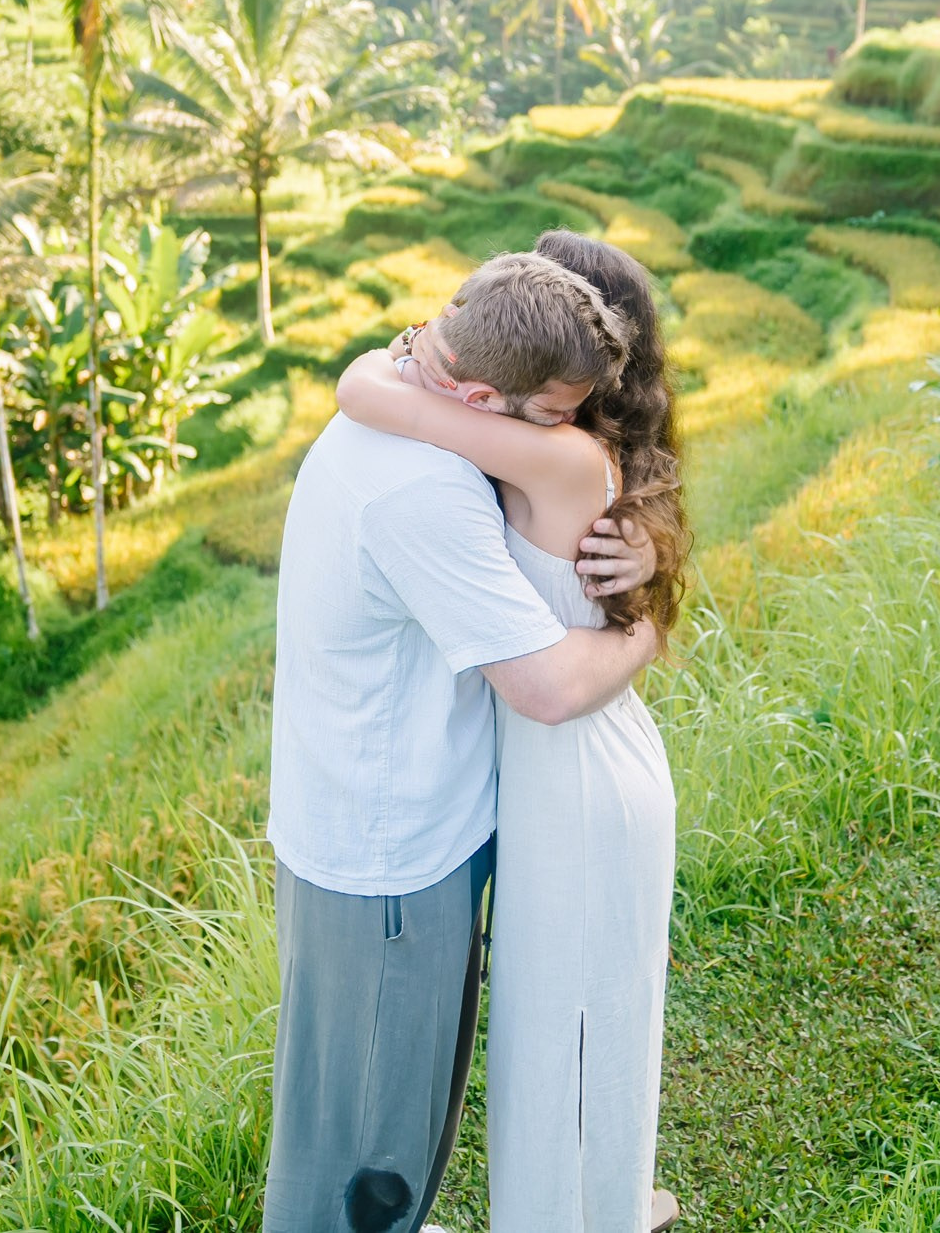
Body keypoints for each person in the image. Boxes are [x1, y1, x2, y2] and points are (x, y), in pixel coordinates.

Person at [265, 250, 663, 1233]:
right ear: (483, 394)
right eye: (550, 411)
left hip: (383, 827)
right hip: (390, 864)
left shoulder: (395, 398)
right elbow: (539, 685)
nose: (563, 429)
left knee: (386, 1118)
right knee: (364, 1162)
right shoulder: (421, 488)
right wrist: (650, 623)